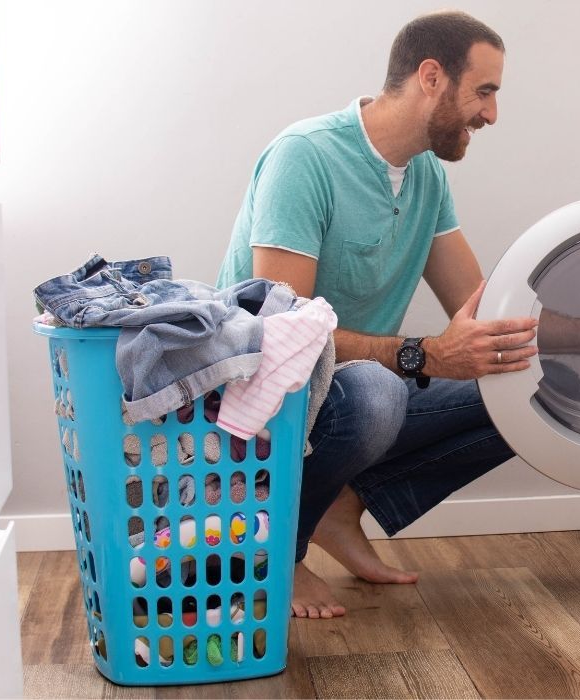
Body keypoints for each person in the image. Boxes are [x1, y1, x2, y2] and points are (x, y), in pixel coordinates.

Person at [216, 10, 538, 619]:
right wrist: (426, 355)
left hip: (347, 391)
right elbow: (284, 340)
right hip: (265, 402)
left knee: (529, 386)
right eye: (485, 92)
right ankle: (276, 556)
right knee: (375, 394)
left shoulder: (426, 178)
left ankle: (340, 507)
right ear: (432, 77)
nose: (491, 114)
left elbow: (487, 311)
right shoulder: (304, 157)